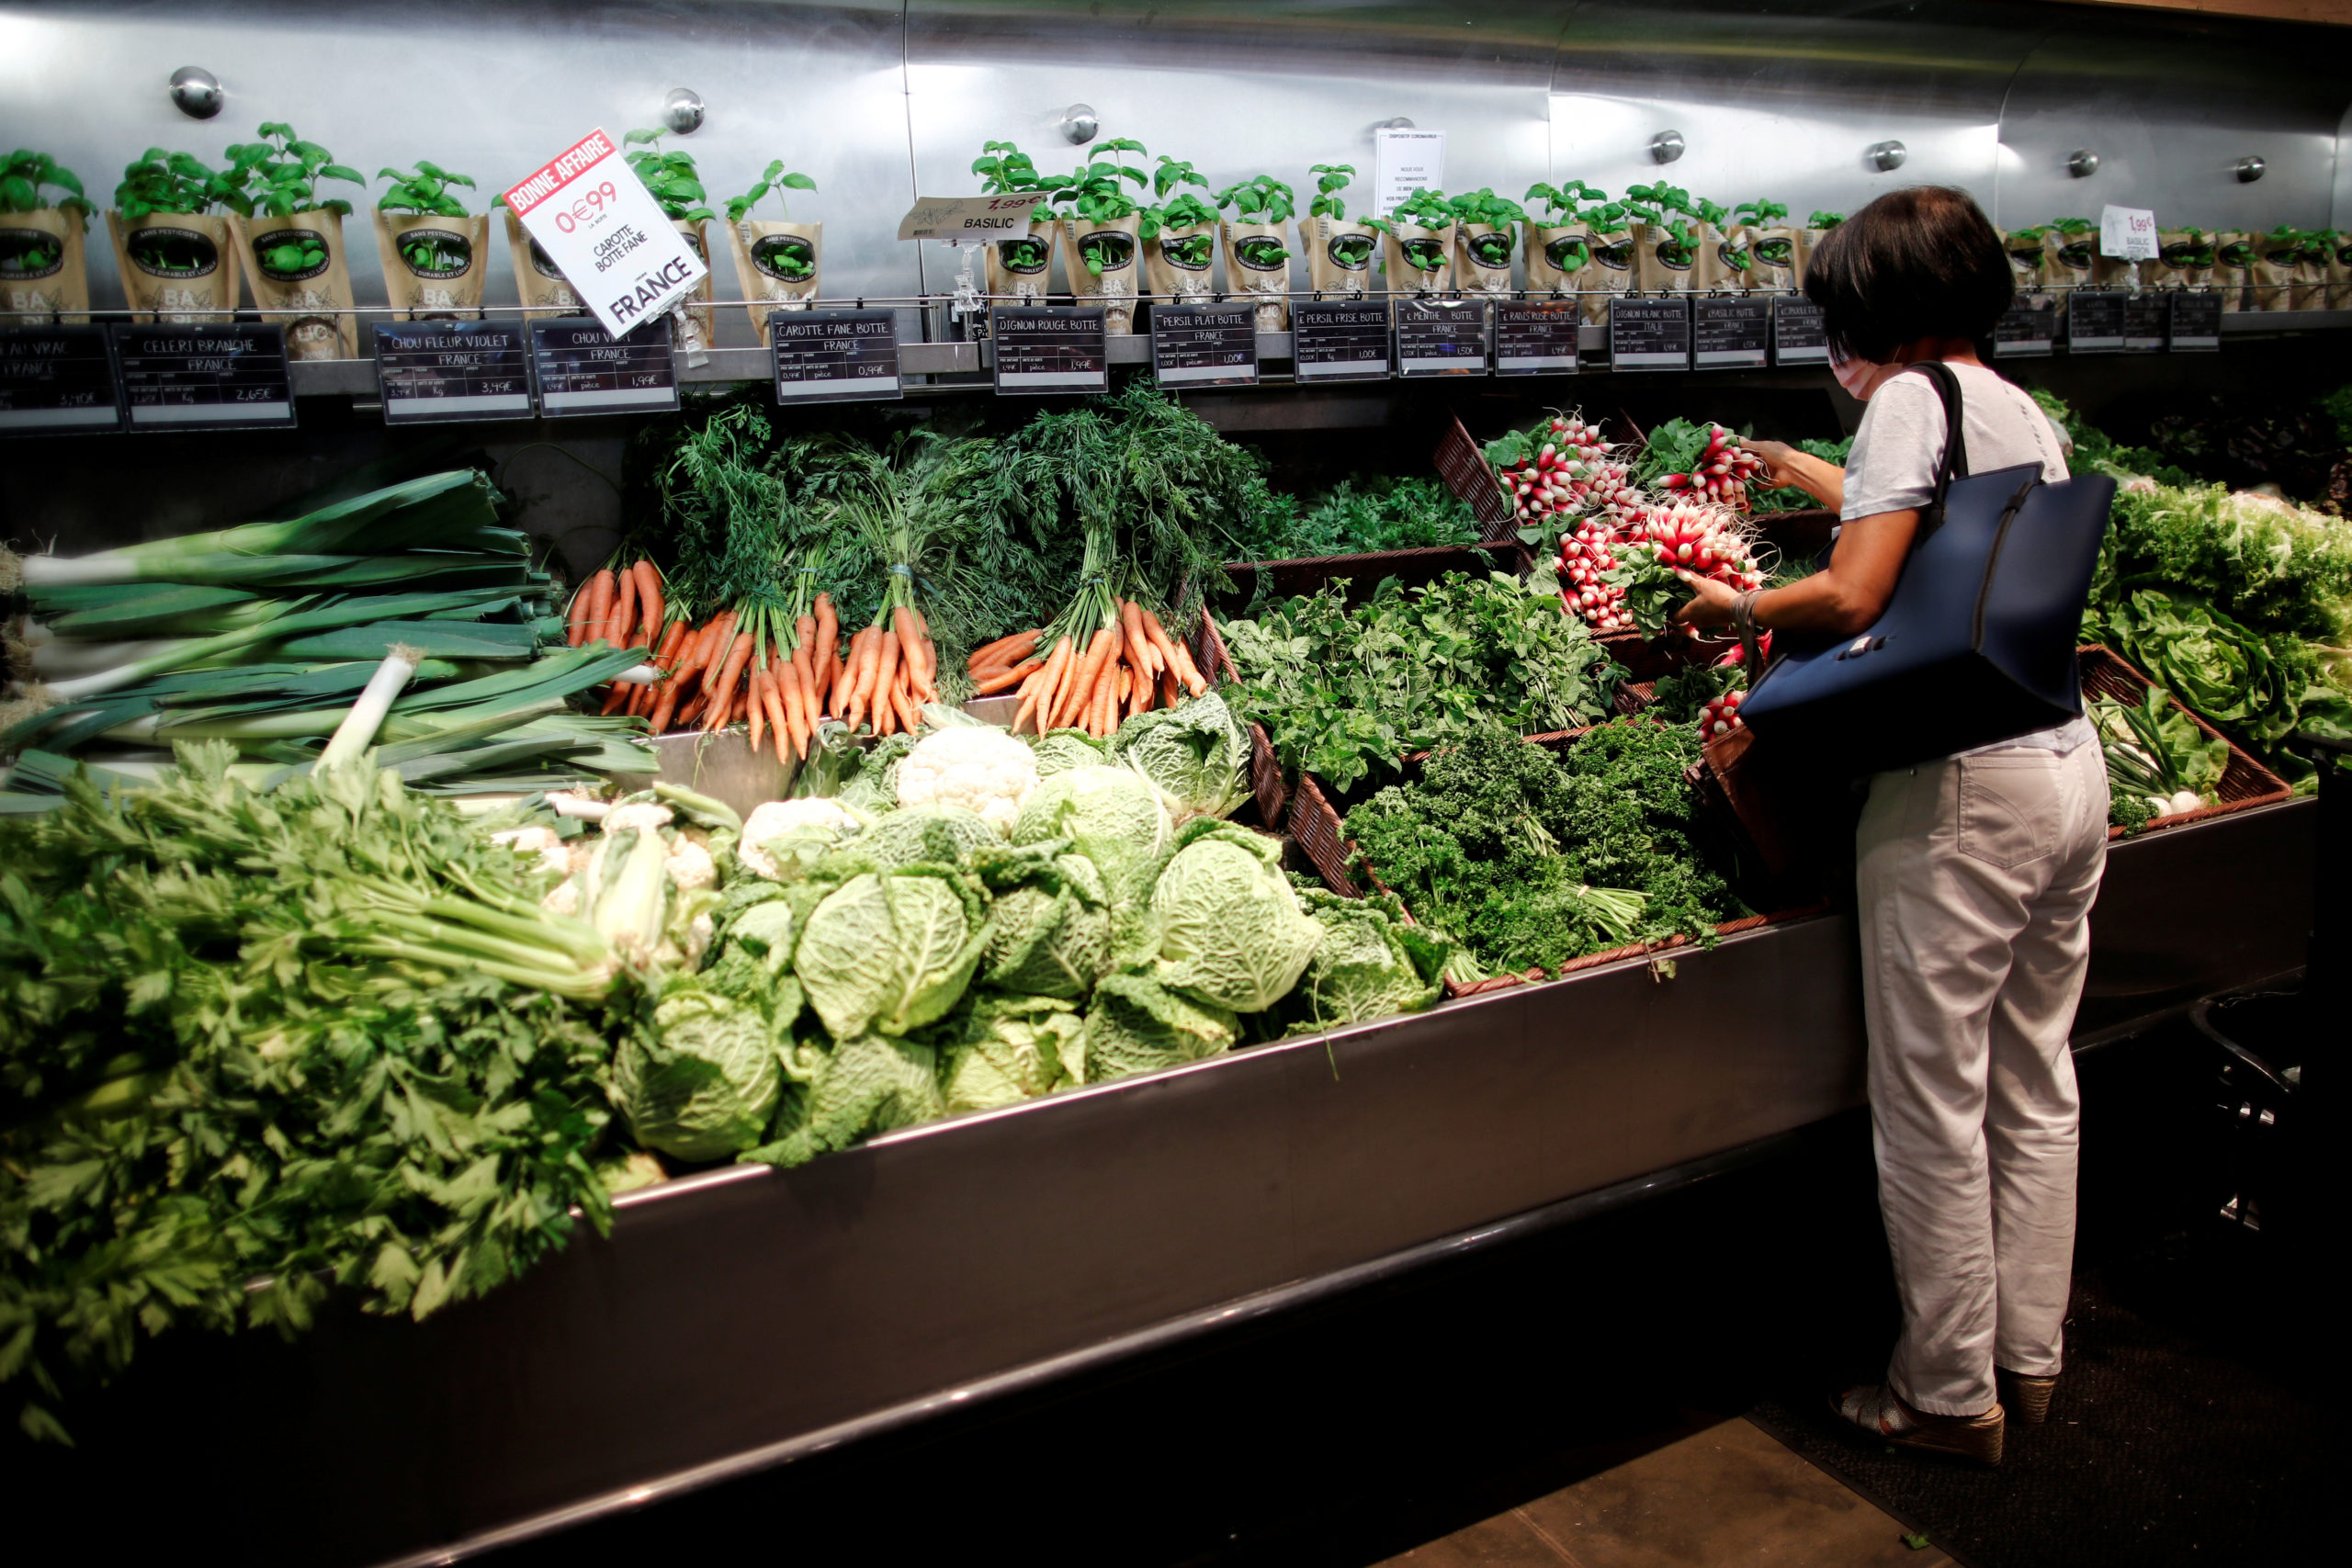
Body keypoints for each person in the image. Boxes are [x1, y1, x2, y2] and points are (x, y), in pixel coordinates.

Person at [1673, 186, 2105, 1467]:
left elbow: (1861, 584)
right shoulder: (2012, 403)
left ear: (1880, 309)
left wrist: (1738, 603)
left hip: (1961, 791)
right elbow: (1940, 528)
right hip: (2062, 765)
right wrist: (1807, 468)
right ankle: (2030, 1359)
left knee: (1931, 1101)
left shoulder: (1910, 401)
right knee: (2037, 1083)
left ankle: (1942, 1392)